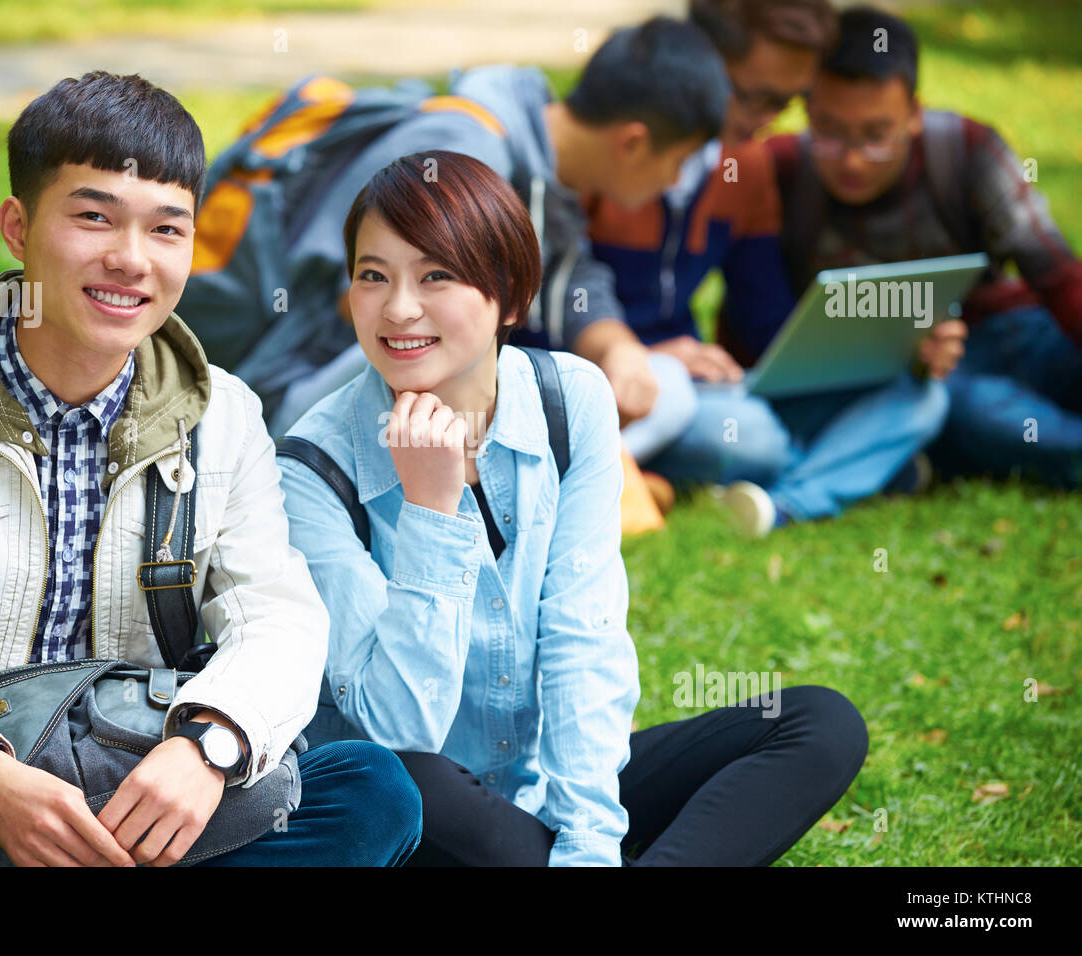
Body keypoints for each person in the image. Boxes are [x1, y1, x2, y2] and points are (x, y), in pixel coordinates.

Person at [0, 71, 421, 867]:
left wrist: (208, 747)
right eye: (94, 218)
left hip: (141, 809)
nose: (130, 260)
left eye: (166, 230)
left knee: (370, 789)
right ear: (18, 226)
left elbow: (279, 622)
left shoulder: (223, 415)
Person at [278, 150, 869, 866]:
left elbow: (582, 643)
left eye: (436, 274)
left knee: (818, 724)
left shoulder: (570, 401)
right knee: (402, 775)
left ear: (510, 296)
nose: (399, 308)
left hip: (536, 790)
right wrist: (431, 515)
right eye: (373, 276)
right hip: (418, 820)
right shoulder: (311, 466)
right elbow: (399, 725)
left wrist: (588, 843)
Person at [180, 17, 733, 476]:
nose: (671, 184)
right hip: (303, 392)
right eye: (678, 164)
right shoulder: (465, 150)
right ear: (633, 142)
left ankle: (582, 469)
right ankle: (579, 473)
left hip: (389, 385)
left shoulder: (539, 163)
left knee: (665, 389)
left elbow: (572, 270)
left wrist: (617, 348)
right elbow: (355, 299)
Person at [733, 5, 1082, 488]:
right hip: (913, 380)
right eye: (830, 132)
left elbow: (1058, 273)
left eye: (876, 135)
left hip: (1012, 335)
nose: (853, 160)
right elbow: (756, 323)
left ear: (914, 114)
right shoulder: (782, 170)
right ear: (807, 110)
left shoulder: (967, 148)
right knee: (973, 414)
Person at [584, 0, 840, 465]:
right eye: (754, 96)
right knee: (749, 439)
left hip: (688, 380)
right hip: (596, 378)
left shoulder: (745, 165)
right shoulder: (609, 151)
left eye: (786, 102)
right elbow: (538, 318)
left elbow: (762, 314)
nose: (769, 118)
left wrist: (859, 351)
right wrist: (641, 355)